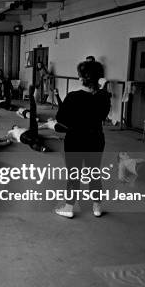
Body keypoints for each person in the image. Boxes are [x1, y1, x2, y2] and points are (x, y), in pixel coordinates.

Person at [54, 60, 111, 219]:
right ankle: (97, 207)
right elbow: (103, 114)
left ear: (81, 79)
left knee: (74, 174)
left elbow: (61, 119)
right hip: (96, 139)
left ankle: (68, 207)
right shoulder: (104, 97)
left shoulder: (73, 97)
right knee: (94, 172)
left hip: (75, 140)